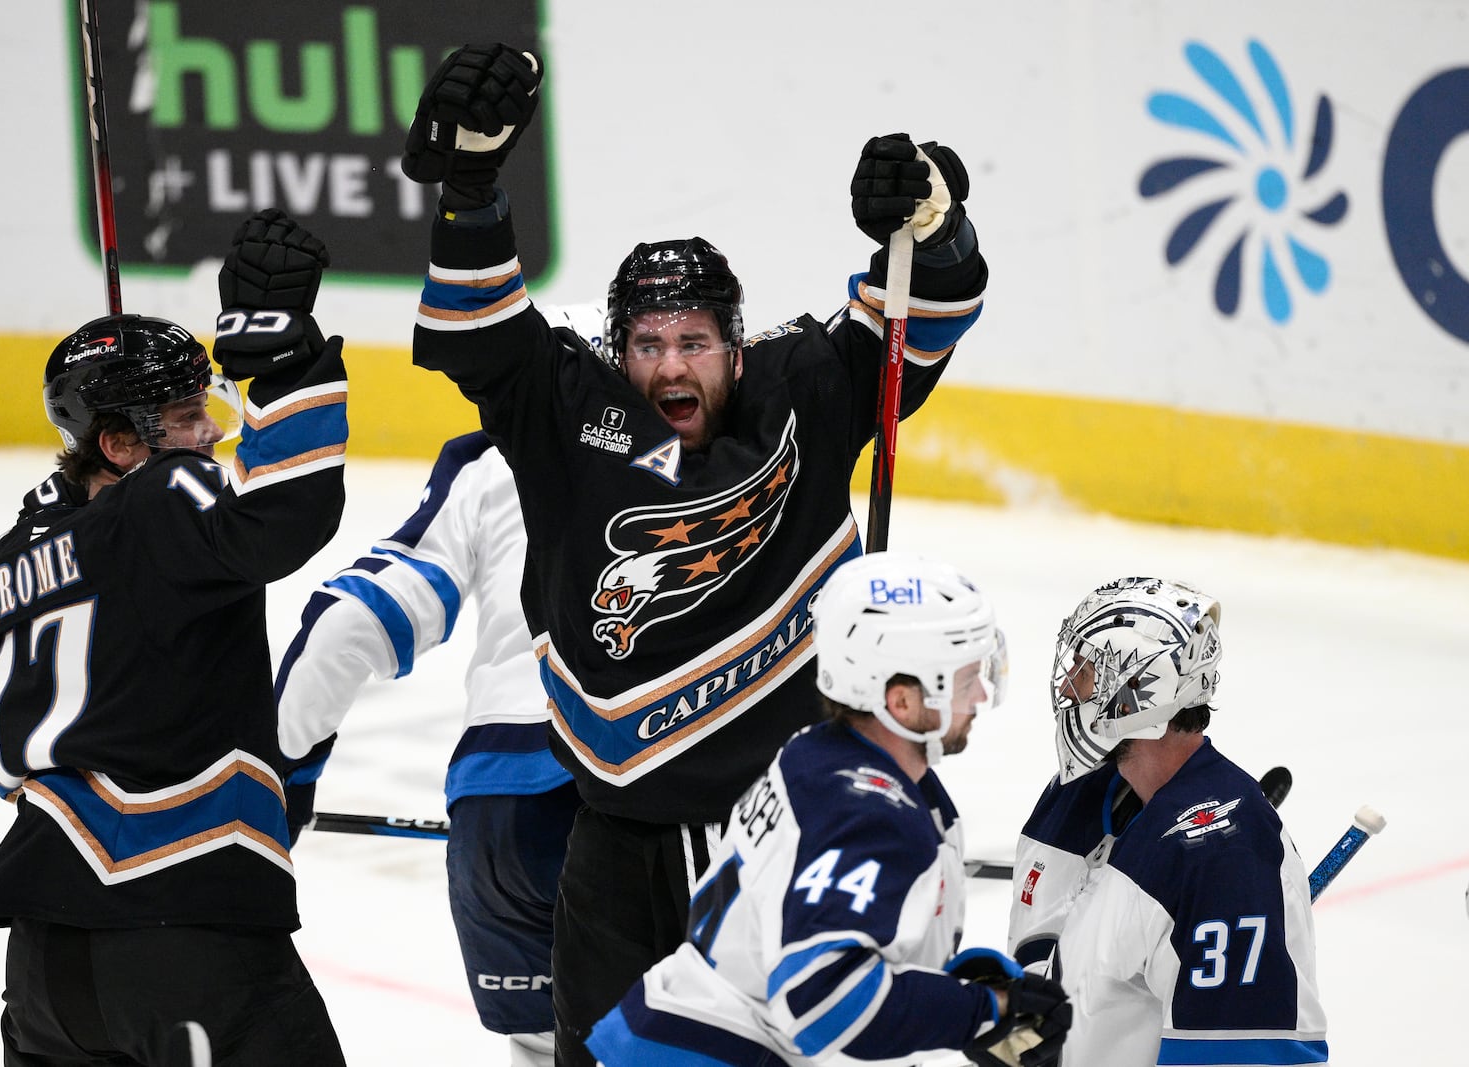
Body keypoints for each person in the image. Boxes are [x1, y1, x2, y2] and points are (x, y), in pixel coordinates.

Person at [400, 44, 989, 1064]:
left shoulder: (803, 387)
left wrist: (936, 228)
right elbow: (480, 322)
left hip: (778, 824)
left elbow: (925, 318)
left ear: (734, 344)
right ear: (618, 350)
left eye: (694, 343)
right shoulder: (565, 413)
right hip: (615, 836)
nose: (670, 366)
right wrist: (470, 188)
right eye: (648, 344)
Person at [0, 209, 350, 1065]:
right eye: (182, 417)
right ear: (121, 444)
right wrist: (279, 362)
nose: (207, 434)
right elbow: (283, 520)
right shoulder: (162, 502)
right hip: (186, 940)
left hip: (44, 971)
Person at [275, 304, 606, 1067]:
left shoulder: (485, 465)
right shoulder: (696, 460)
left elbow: (349, 620)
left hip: (500, 818)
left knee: (549, 1046)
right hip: (641, 799)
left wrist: (281, 774)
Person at [583, 551, 1071, 1067]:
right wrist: (983, 1009)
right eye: (966, 677)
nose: (979, 697)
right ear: (901, 702)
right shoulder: (871, 815)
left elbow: (807, 934)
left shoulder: (818, 753)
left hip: (674, 1033)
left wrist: (945, 991)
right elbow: (821, 1002)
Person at [1007, 576, 1328, 1067]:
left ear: (1140, 691)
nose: (1071, 683)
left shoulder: (1222, 857)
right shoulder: (1080, 792)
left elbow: (1246, 1056)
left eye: (1091, 668)